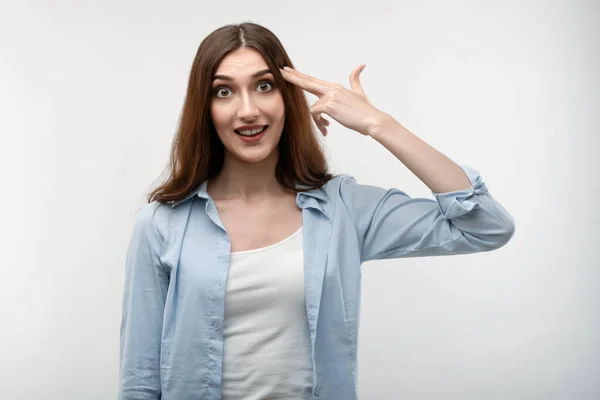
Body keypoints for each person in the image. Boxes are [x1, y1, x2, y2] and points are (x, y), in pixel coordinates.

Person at [118, 22, 515, 400]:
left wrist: (378, 124)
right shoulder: (161, 224)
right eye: (224, 92)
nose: (248, 110)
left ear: (287, 98)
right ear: (204, 109)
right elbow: (140, 378)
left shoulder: (343, 209)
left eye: (264, 86)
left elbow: (485, 226)